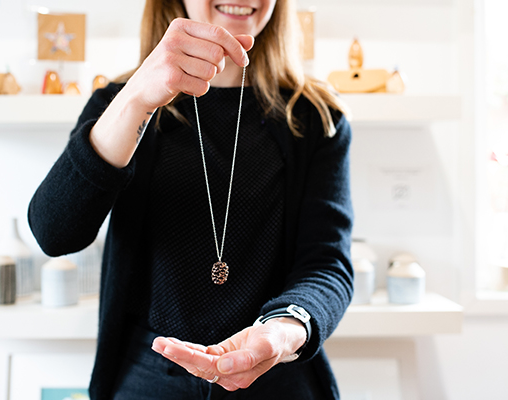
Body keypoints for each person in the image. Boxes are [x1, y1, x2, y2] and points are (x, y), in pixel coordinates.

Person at [28, 0, 354, 399]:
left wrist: (283, 330)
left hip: (278, 379)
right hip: (147, 377)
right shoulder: (120, 105)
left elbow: (327, 264)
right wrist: (135, 101)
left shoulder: (315, 117)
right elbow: (54, 233)